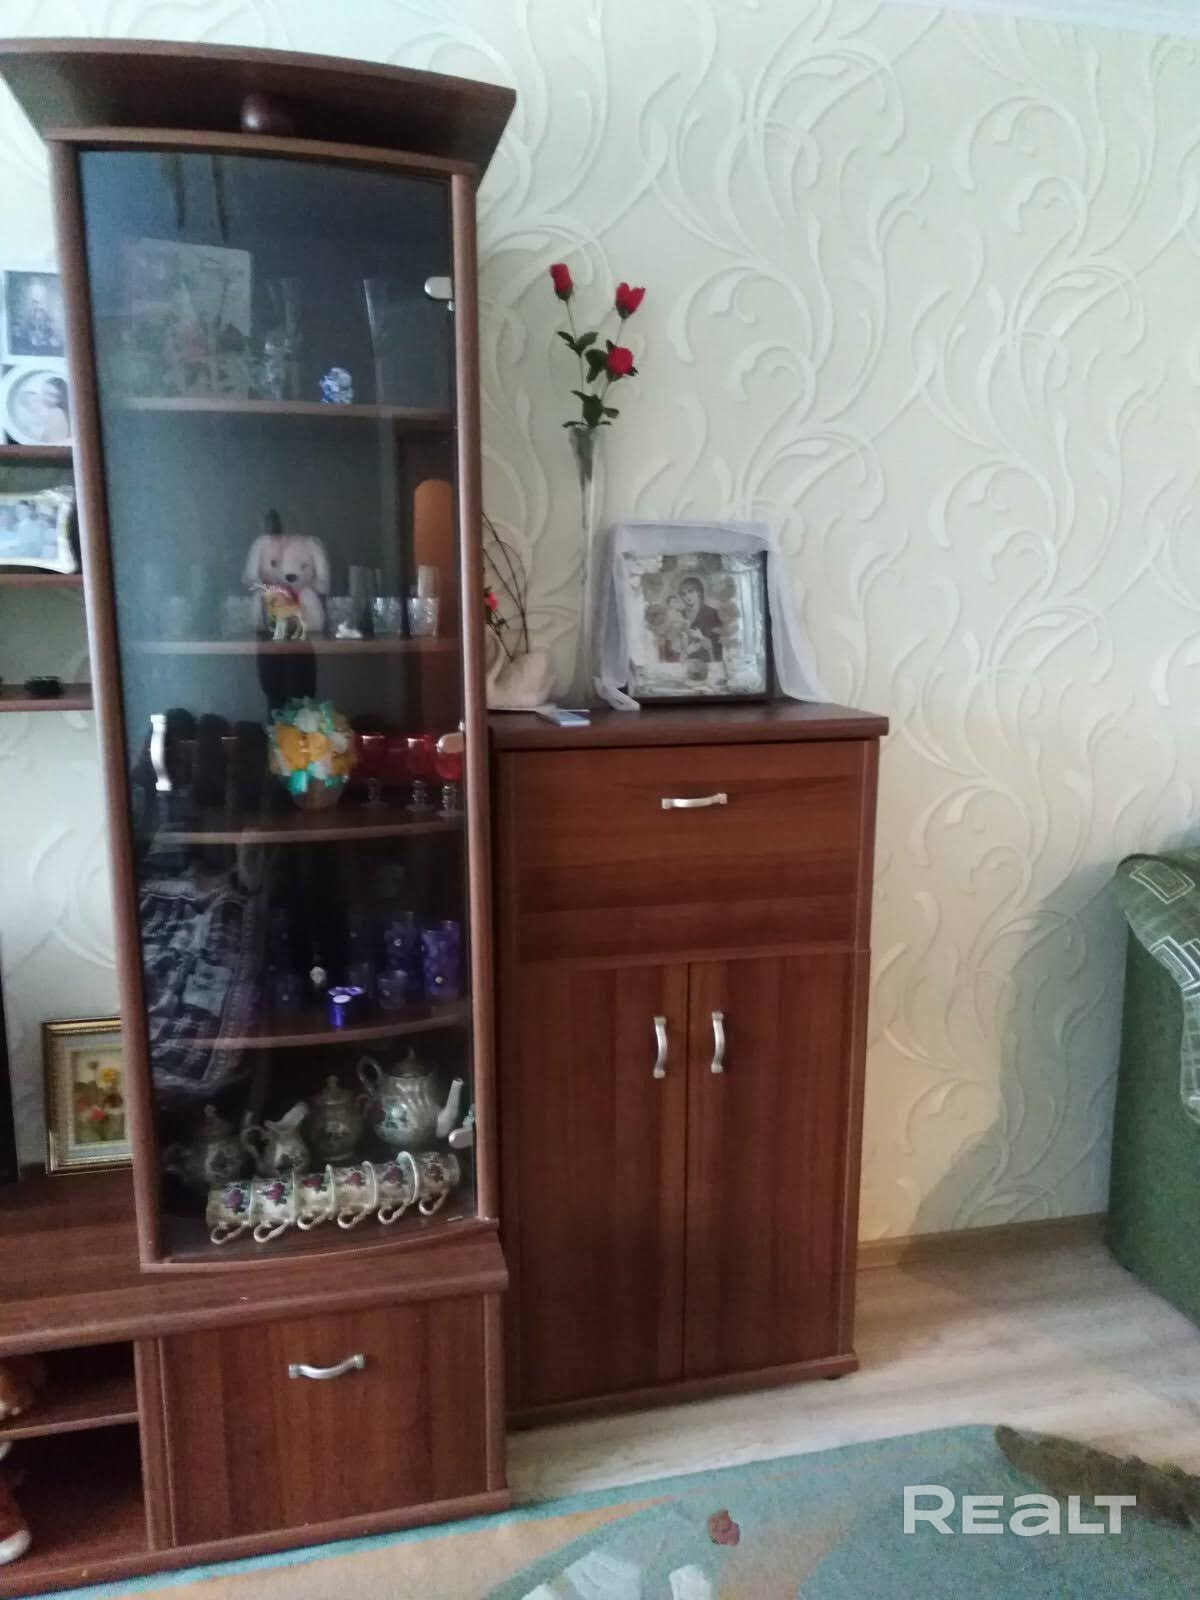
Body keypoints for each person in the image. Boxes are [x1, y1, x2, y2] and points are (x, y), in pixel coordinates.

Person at [678, 574, 724, 662]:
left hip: (707, 662)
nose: (687, 596)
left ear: (698, 592)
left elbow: (719, 646)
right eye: (683, 594)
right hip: (685, 662)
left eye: (691, 591)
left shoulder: (712, 614)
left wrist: (702, 638)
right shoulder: (680, 615)